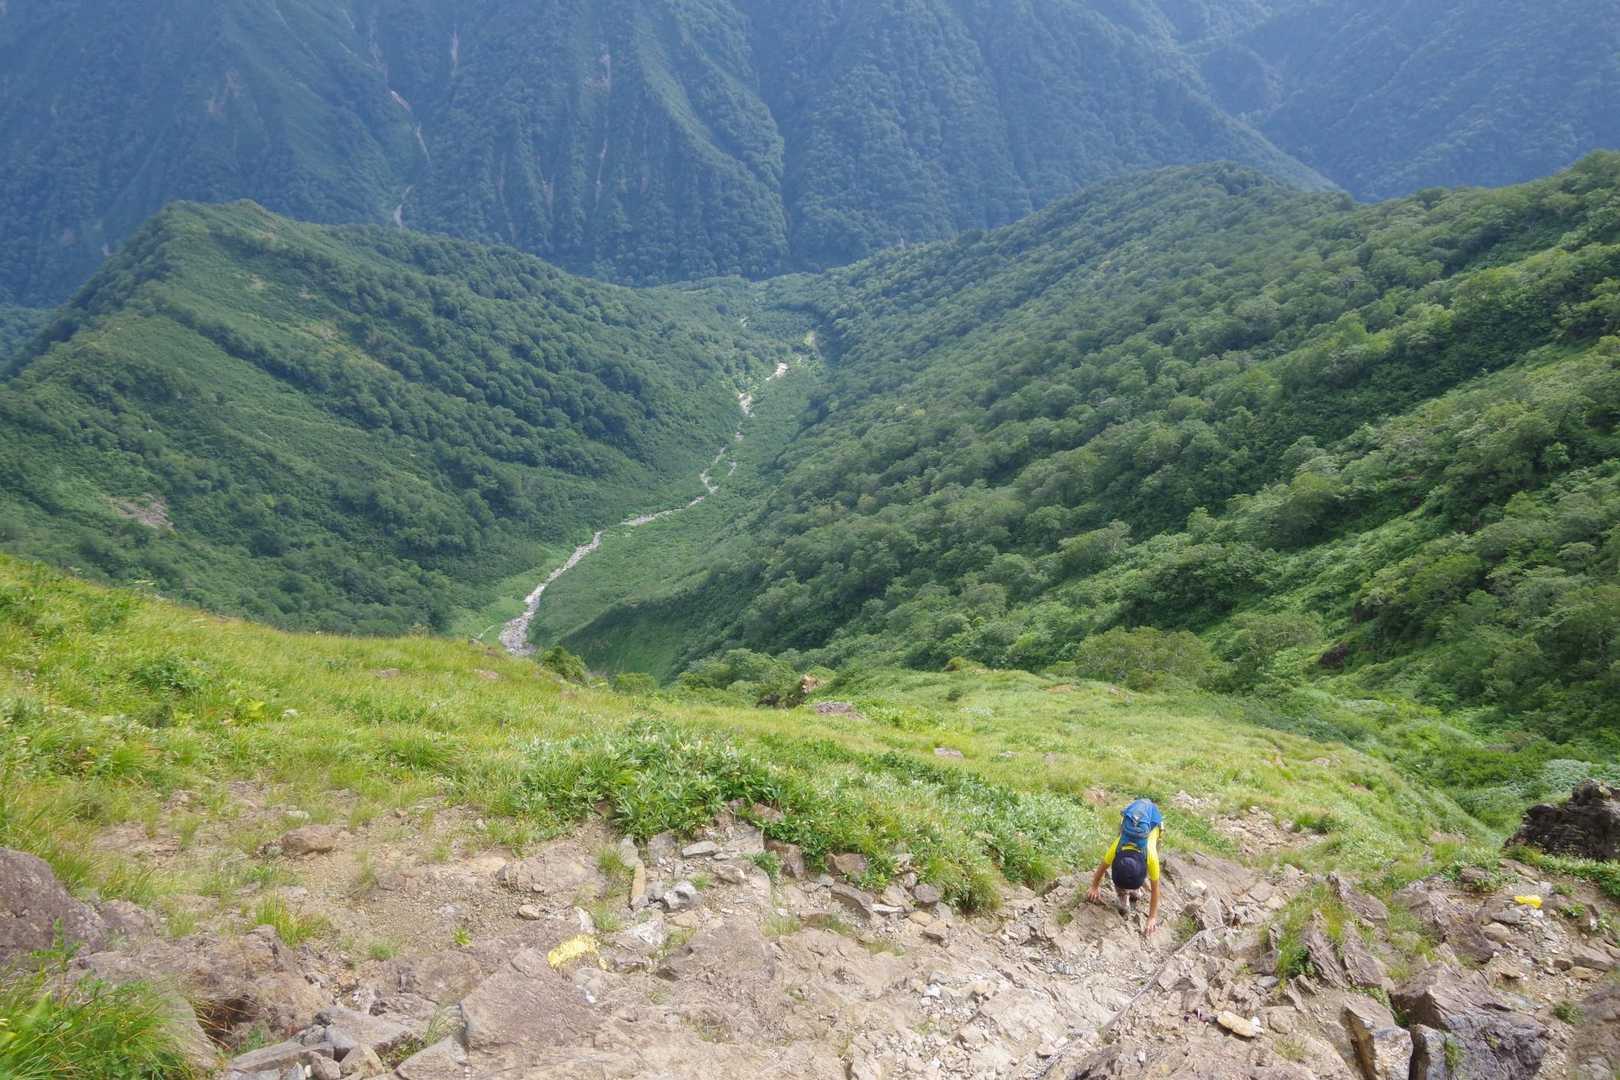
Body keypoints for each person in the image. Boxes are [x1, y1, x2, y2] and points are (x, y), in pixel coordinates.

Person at [1085, 797, 1164, 937]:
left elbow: (1155, 889)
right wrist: (1094, 886)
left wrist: (1152, 917)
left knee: (1142, 869)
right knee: (1123, 872)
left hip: (1153, 824)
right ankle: (1123, 892)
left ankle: (1135, 887)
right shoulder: (1117, 846)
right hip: (1128, 823)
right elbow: (1102, 867)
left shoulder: (1151, 856)